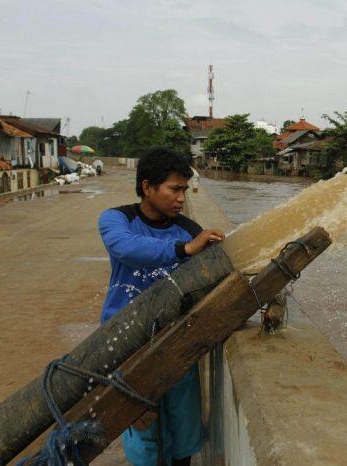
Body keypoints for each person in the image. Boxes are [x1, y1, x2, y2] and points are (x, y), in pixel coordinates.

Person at [98, 147, 225, 466]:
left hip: (176, 341)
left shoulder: (190, 230)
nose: (182, 198)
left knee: (182, 426)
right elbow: (126, 249)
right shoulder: (116, 219)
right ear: (147, 187)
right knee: (141, 427)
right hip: (126, 343)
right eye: (174, 189)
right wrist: (182, 249)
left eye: (184, 189)